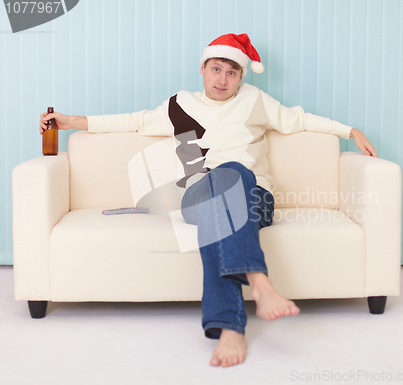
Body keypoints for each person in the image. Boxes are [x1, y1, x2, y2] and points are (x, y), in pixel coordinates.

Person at [39, 33, 377, 368]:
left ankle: (229, 328)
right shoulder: (180, 104)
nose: (222, 79)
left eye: (231, 73)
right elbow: (134, 120)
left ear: (241, 76)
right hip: (198, 194)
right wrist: (71, 122)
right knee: (223, 178)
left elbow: (299, 119)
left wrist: (351, 131)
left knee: (230, 183)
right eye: (216, 69)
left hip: (255, 195)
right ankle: (259, 282)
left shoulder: (255, 99)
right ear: (202, 69)